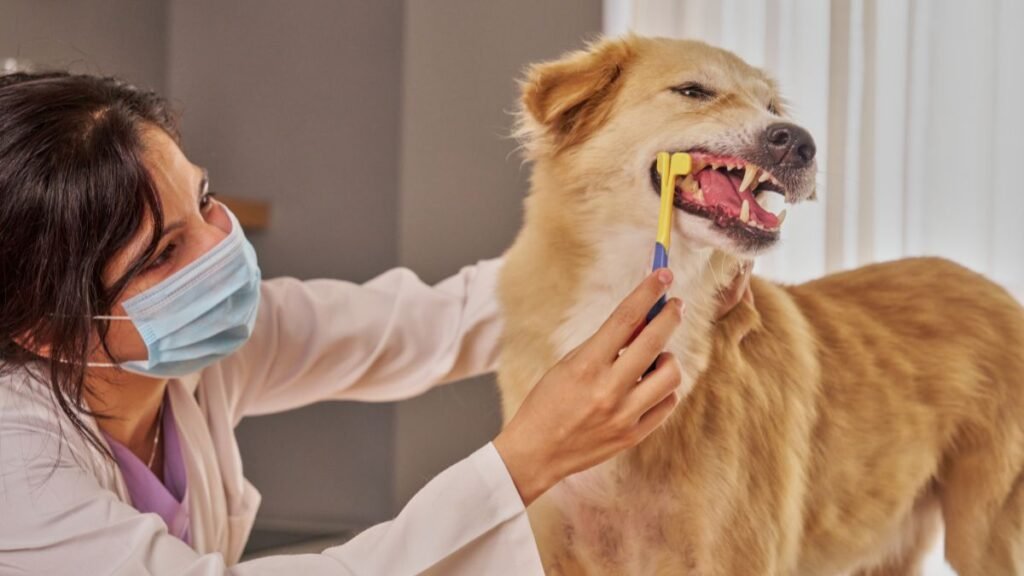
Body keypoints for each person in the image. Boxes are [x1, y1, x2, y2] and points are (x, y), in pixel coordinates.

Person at [0, 72, 750, 575]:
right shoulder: (17, 471)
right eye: (166, 252)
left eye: (205, 198)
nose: (220, 243)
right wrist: (525, 460)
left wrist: (656, 267)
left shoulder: (180, 353)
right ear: (44, 327)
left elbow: (431, 324)